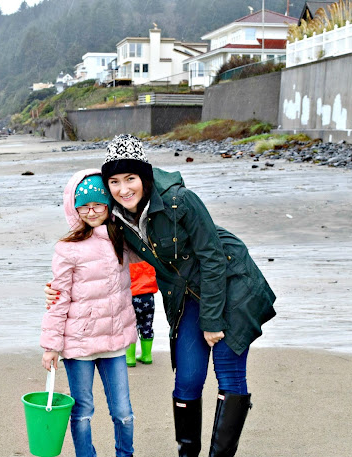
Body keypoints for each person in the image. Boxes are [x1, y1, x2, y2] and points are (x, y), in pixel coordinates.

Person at [46, 135, 276, 457]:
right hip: (186, 297)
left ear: (145, 176)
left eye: (130, 178)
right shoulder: (117, 220)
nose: (124, 189)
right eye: (114, 181)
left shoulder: (180, 200)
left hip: (230, 285)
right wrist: (59, 287)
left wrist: (212, 320)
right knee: (188, 379)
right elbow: (100, 255)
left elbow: (212, 257)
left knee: (229, 373)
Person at [41, 169, 138, 457]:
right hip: (78, 345)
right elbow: (59, 299)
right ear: (75, 208)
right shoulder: (67, 248)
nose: (92, 211)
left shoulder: (123, 239)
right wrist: (51, 346)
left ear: (109, 205)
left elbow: (154, 248)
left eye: (98, 204)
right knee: (82, 411)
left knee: (123, 413)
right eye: (84, 206)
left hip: (113, 342)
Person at [126, 261, 158, 367]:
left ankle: (130, 357)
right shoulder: (148, 260)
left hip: (132, 297)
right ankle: (147, 355)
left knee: (131, 326)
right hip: (148, 298)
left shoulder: (129, 261)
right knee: (147, 326)